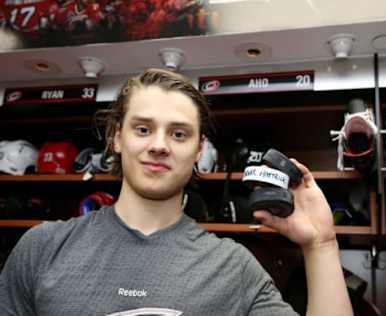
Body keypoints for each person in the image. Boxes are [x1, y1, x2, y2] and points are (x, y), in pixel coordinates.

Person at [0, 68, 353, 315]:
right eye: (142, 129)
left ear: (199, 150)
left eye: (179, 134)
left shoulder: (233, 269)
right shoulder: (42, 248)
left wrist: (321, 245)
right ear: (117, 137)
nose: (159, 145)